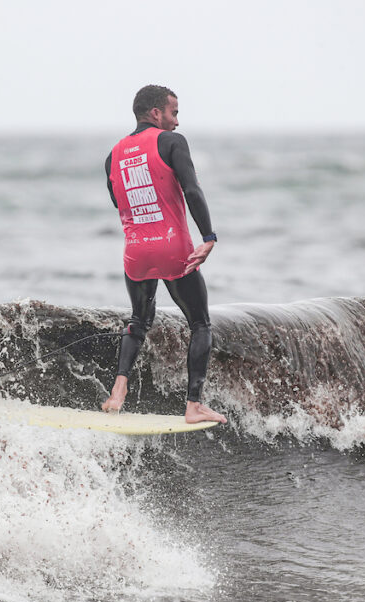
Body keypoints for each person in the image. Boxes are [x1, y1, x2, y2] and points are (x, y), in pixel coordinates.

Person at [101, 84, 227, 424]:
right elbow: (192, 190)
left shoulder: (113, 154)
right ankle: (194, 406)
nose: (176, 122)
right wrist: (209, 236)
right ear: (156, 113)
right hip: (172, 245)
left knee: (138, 321)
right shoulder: (172, 143)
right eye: (174, 113)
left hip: (136, 251)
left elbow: (118, 201)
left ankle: (117, 391)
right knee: (200, 323)